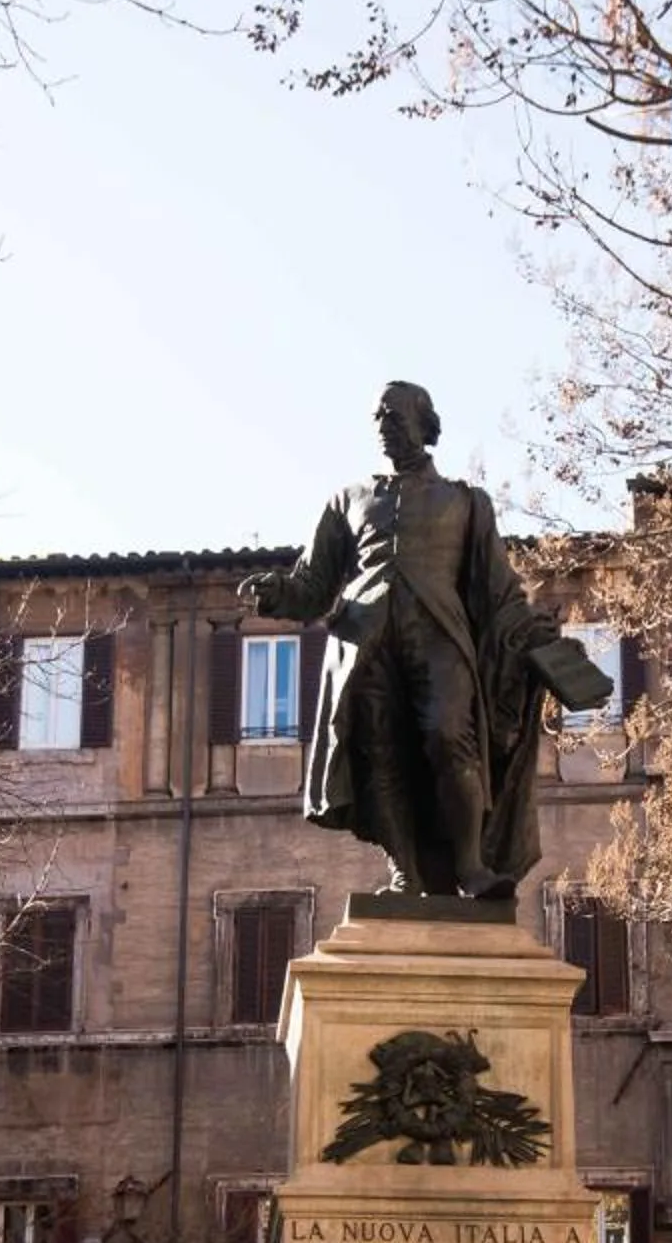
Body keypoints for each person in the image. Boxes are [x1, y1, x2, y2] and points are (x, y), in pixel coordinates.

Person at [241, 382, 601, 897]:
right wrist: (279, 592)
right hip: (363, 639)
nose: (383, 423)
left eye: (394, 413)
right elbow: (314, 586)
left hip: (440, 634)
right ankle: (404, 870)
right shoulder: (348, 500)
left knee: (449, 736)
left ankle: (471, 866)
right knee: (381, 751)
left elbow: (500, 593)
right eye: (377, 416)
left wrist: (538, 638)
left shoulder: (466, 503)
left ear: (425, 424)